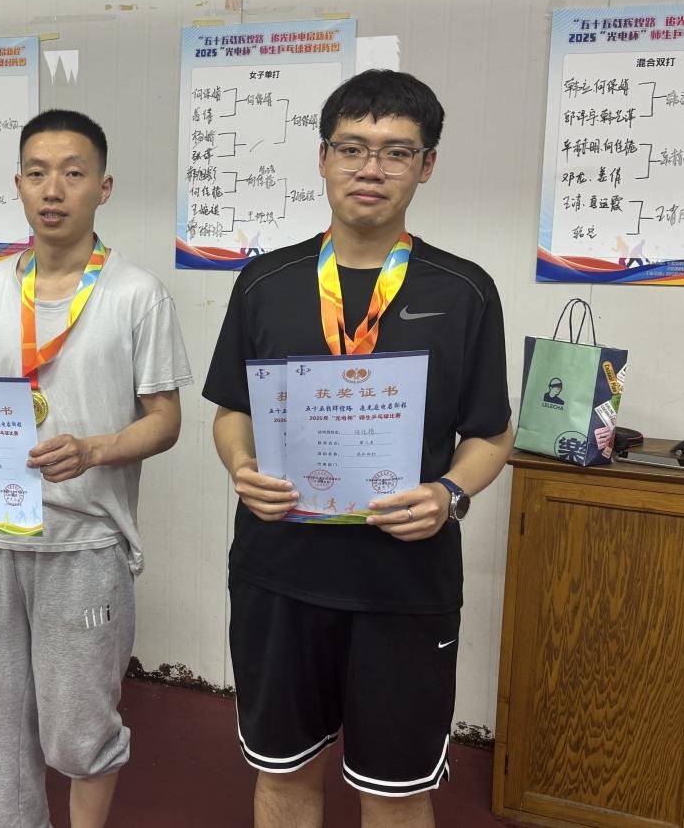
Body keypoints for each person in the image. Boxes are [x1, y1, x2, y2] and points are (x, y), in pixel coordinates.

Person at [203, 70, 514, 828]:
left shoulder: (465, 290)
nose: (370, 168)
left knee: (396, 792)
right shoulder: (265, 281)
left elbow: (490, 430)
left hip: (403, 583)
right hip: (280, 572)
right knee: (284, 777)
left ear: (426, 166)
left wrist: (449, 494)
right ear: (322, 157)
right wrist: (241, 467)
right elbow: (231, 410)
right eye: (352, 148)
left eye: (396, 152)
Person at [0, 109, 192, 828]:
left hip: (85, 542)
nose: (53, 189)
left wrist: (94, 448)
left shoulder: (136, 294)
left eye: (72, 173)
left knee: (78, 728)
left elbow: (165, 420)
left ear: (104, 187)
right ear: (18, 185)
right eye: (37, 173)